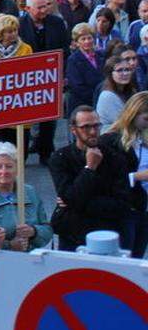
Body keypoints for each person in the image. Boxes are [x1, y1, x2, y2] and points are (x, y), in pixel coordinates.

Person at [49, 106, 133, 251]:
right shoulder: (61, 158)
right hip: (72, 235)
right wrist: (89, 168)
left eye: (96, 126)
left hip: (107, 234)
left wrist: (78, 203)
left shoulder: (115, 157)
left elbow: (122, 204)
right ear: (73, 129)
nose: (93, 132)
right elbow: (70, 197)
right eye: (86, 127)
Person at [19, 0, 71, 163]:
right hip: (27, 77)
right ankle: (23, 153)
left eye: (46, 6)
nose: (44, 10)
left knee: (49, 117)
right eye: (39, 7)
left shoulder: (56, 23)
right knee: (25, 117)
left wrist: (62, 74)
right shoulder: (19, 25)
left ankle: (46, 152)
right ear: (27, 9)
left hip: (50, 75)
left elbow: (65, 49)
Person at [100, 92, 148, 258]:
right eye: (146, 119)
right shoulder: (110, 141)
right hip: (124, 210)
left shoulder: (144, 138)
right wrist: (137, 177)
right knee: (125, 260)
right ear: (132, 115)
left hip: (142, 208)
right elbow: (105, 181)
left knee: (138, 258)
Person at [96, 56, 138, 131]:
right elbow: (126, 122)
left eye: (127, 70)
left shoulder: (131, 91)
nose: (125, 73)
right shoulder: (107, 96)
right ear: (110, 74)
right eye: (119, 70)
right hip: (112, 138)